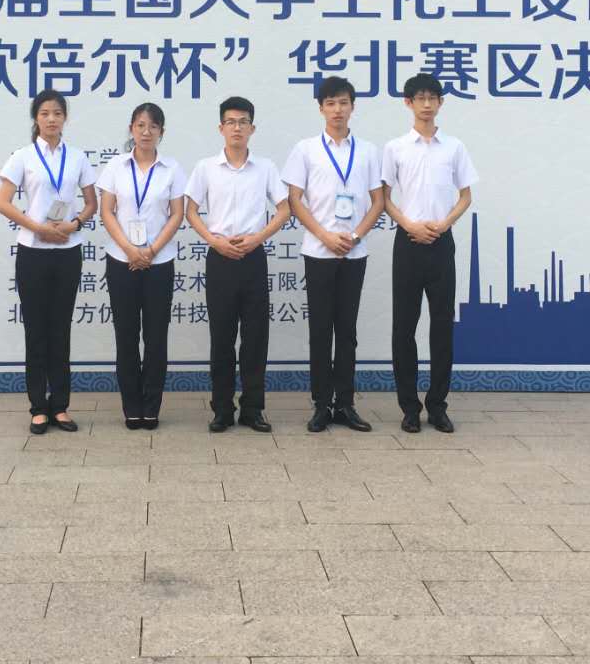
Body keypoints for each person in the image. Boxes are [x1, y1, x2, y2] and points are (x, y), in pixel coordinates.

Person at [282, 76, 385, 433]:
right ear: (321, 108)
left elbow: (379, 201)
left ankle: (346, 403)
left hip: (354, 253)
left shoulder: (368, 151)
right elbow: (295, 200)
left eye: (343, 102)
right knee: (320, 329)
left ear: (353, 106)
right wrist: (325, 235)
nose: (337, 109)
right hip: (318, 251)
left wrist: (355, 236)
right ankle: (321, 404)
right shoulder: (305, 149)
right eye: (330, 103)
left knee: (347, 330)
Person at [0, 89, 97, 435]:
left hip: (68, 250)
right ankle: (38, 408)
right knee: (36, 330)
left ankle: (61, 406)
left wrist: (74, 224)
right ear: (35, 119)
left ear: (65, 118)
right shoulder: (22, 157)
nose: (51, 119)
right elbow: (3, 203)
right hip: (33, 252)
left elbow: (92, 203)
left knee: (61, 329)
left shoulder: (78, 157)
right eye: (44, 113)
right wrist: (38, 227)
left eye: (57, 113)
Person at [185, 96, 290, 433]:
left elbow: (285, 209)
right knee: (222, 338)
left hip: (253, 256)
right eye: (230, 122)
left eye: (243, 122)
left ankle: (253, 409)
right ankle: (222, 409)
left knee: (255, 338)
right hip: (219, 257)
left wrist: (258, 237)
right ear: (221, 128)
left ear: (252, 128)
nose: (237, 128)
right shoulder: (206, 167)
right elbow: (190, 211)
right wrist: (213, 240)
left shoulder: (266, 168)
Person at [381, 73, 479, 434]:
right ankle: (409, 407)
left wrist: (442, 224)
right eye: (419, 98)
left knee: (442, 326)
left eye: (432, 98)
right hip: (407, 243)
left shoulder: (454, 147)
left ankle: (437, 406)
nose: (426, 104)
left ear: (440, 103)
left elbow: (465, 196)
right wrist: (410, 224)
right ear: (408, 103)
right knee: (403, 328)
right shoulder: (395, 148)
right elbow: (384, 198)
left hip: (441, 242)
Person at [97, 102, 186, 430]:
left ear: (162, 132)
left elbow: (177, 214)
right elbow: (106, 211)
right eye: (140, 125)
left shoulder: (172, 168)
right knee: (126, 336)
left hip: (159, 262)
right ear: (131, 129)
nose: (146, 132)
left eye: (153, 126)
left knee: (156, 337)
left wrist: (150, 250)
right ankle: (131, 407)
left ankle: (151, 407)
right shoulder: (115, 166)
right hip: (121, 261)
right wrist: (129, 249)